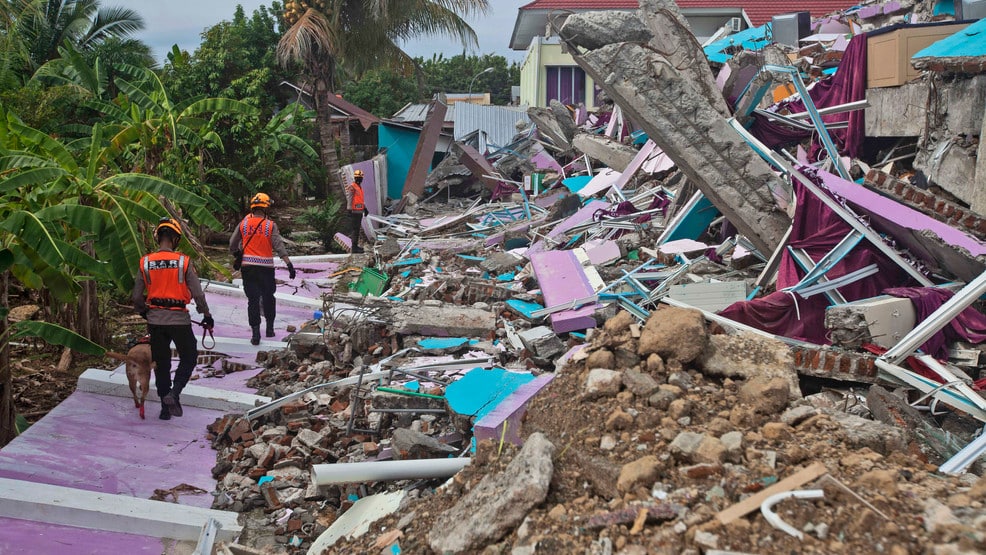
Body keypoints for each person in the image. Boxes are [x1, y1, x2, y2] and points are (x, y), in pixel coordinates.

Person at [133, 217, 214, 420]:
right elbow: (197, 293)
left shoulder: (145, 262)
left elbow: (136, 296)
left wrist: (144, 311)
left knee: (162, 363)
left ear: (158, 237)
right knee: (189, 356)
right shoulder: (183, 262)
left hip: (155, 321)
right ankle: (174, 393)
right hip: (179, 320)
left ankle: (164, 408)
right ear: (176, 239)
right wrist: (206, 315)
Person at [229, 192, 295, 345]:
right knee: (268, 297)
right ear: (265, 208)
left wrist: (238, 254)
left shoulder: (243, 224)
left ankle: (255, 334)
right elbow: (279, 246)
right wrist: (289, 264)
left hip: (248, 268)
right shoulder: (270, 225)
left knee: (252, 300)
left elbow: (232, 244)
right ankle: (270, 329)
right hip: (266, 268)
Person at [345, 169, 367, 254]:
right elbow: (350, 198)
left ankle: (355, 246)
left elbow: (360, 200)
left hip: (359, 212)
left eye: (360, 177)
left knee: (357, 229)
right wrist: (349, 209)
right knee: (355, 230)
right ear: (355, 178)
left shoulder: (359, 187)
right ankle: (354, 248)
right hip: (354, 212)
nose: (360, 179)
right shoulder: (352, 187)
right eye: (358, 177)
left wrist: (365, 208)